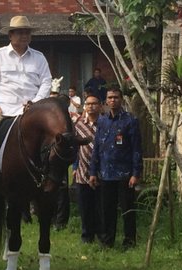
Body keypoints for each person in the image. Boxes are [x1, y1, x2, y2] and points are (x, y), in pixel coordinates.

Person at [0, 15, 52, 176]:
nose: (24, 36)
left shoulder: (39, 58)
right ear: (10, 35)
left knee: (55, 135)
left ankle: (52, 176)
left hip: (32, 110)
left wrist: (36, 103)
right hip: (2, 109)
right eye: (19, 32)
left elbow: (47, 82)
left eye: (27, 32)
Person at [89, 87, 142, 249]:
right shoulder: (102, 121)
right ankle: (107, 241)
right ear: (106, 101)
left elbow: (137, 149)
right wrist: (93, 172)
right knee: (107, 210)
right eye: (110, 98)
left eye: (116, 97)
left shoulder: (130, 121)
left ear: (121, 99)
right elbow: (97, 147)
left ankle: (129, 242)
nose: (113, 100)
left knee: (127, 210)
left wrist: (136, 173)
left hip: (124, 174)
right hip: (105, 174)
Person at [73, 94, 102, 243]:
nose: (91, 106)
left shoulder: (104, 124)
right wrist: (74, 166)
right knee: (85, 207)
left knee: (99, 206)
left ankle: (100, 235)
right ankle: (86, 236)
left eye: (94, 103)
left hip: (100, 172)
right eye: (88, 104)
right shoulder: (78, 125)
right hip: (82, 172)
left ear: (100, 106)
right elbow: (74, 148)